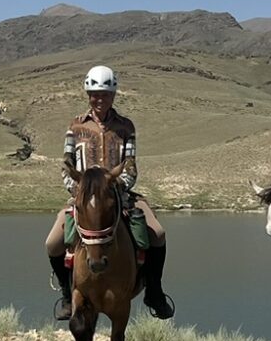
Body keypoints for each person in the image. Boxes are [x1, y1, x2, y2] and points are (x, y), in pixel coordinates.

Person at [44, 65, 175, 322]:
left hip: (120, 195)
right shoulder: (75, 127)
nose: (99, 99)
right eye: (95, 94)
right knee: (52, 243)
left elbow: (130, 166)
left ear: (113, 95)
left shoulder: (126, 127)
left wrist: (116, 188)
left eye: (105, 94)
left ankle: (154, 292)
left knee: (158, 234)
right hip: (84, 198)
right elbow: (67, 165)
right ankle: (67, 295)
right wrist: (79, 190)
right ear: (88, 95)